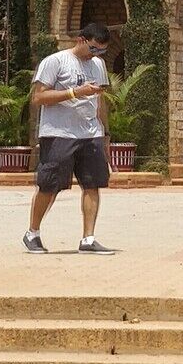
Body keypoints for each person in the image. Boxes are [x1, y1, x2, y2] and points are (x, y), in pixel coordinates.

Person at [24, 22, 114, 254]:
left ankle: (88, 239)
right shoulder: (55, 61)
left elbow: (100, 100)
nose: (96, 54)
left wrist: (105, 134)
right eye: (93, 48)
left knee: (92, 185)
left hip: (90, 133)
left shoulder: (98, 65)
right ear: (81, 40)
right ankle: (32, 233)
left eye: (101, 51)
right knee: (49, 185)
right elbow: (38, 97)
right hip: (59, 133)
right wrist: (74, 92)